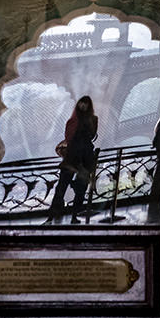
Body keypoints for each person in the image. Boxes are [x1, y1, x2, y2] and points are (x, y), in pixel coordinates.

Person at [46, 95, 100, 224]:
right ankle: (52, 216)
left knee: (78, 189)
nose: (83, 105)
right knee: (62, 189)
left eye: (85, 103)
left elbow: (88, 136)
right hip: (74, 157)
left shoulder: (91, 119)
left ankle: (72, 216)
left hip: (82, 156)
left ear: (89, 105)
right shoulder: (74, 121)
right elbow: (71, 137)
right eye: (81, 103)